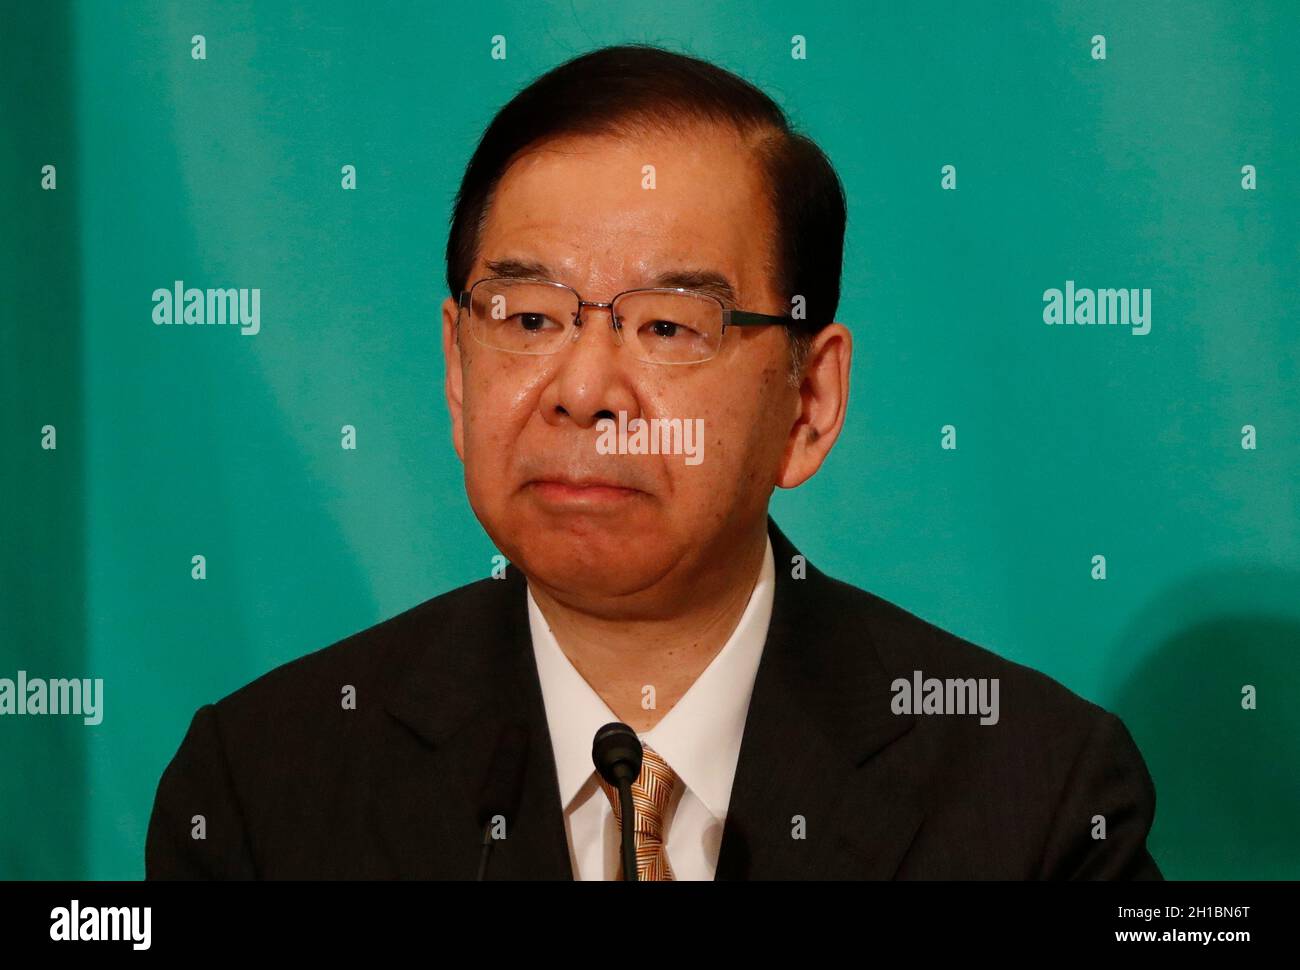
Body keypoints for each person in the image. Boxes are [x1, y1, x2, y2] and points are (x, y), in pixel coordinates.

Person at [146, 43, 1161, 880]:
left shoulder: (1033, 797)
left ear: (808, 403)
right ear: (457, 372)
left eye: (671, 327)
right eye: (529, 316)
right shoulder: (264, 787)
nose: (583, 388)